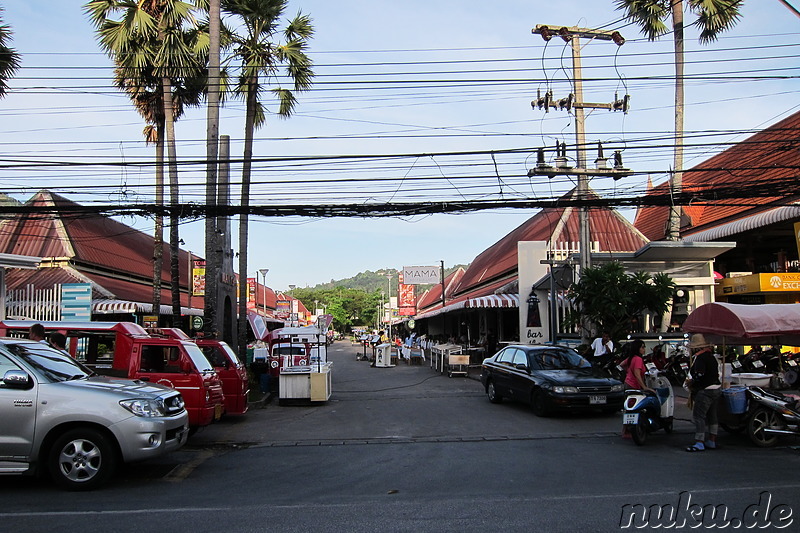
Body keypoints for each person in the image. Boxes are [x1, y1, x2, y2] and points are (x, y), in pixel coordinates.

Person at [685, 333, 722, 452]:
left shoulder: (700, 358)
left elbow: (699, 374)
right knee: (712, 415)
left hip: (705, 390)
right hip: (716, 388)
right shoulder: (711, 357)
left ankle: (699, 442)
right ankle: (712, 440)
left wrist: (692, 381)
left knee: (699, 416)